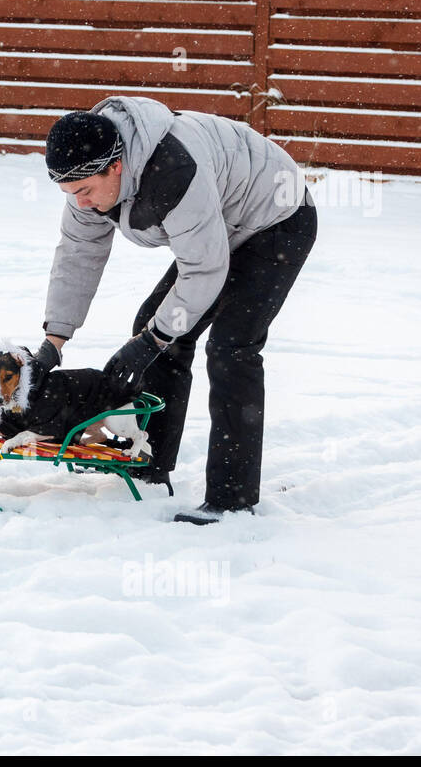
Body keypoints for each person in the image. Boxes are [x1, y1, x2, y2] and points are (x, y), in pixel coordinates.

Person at [35, 96, 317, 524]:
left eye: (86, 192)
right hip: (219, 225)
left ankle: (232, 500)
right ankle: (149, 464)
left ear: (117, 167)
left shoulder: (172, 169)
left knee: (231, 348)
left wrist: (154, 338)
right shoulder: (87, 176)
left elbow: (203, 270)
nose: (81, 204)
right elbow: (78, 254)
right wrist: (53, 342)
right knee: (155, 334)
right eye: (70, 195)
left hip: (277, 217)